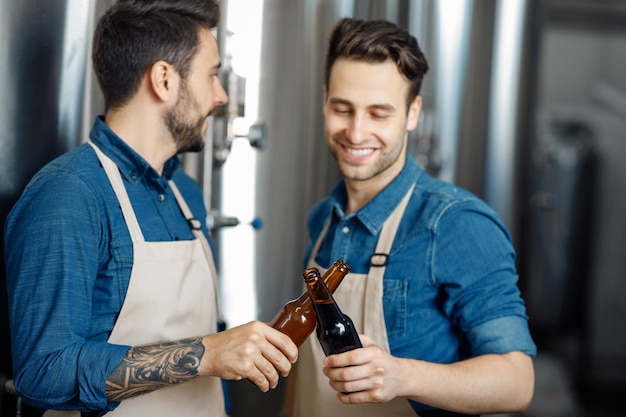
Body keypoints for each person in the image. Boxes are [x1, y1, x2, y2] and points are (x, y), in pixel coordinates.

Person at [3, 1, 297, 416]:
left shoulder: (185, 193)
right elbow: (43, 370)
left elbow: (215, 360)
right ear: (163, 79)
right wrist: (203, 354)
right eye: (211, 75)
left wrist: (220, 354)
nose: (221, 96)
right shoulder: (68, 196)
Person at [284, 18, 536, 417]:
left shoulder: (456, 224)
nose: (356, 131)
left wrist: (401, 376)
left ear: (412, 112)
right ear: (325, 100)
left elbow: (516, 382)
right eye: (342, 108)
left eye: (379, 114)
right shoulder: (323, 220)